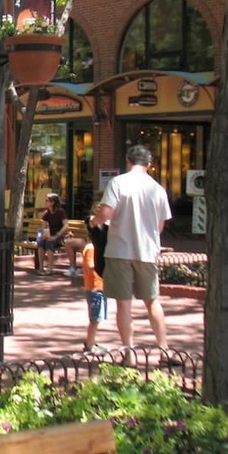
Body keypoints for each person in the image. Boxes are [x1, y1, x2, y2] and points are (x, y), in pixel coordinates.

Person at [94, 144, 176, 366]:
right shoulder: (158, 189)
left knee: (124, 303)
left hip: (120, 249)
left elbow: (106, 213)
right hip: (147, 251)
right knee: (152, 301)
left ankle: (129, 354)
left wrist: (95, 221)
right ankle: (164, 350)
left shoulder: (118, 183)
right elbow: (160, 227)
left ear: (128, 162)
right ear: (149, 165)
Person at [80, 215, 109, 355]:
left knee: (97, 317)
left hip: (100, 287)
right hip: (94, 287)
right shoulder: (91, 248)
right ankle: (90, 345)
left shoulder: (91, 247)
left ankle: (91, 341)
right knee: (95, 318)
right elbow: (91, 265)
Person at [35, 193, 67, 275]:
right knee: (41, 243)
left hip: (59, 237)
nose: (45, 202)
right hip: (49, 235)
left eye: (47, 200)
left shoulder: (61, 212)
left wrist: (56, 236)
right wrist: (44, 235)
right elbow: (43, 227)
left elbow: (66, 226)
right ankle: (41, 268)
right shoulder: (47, 213)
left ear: (53, 202)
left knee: (49, 243)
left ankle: (50, 269)